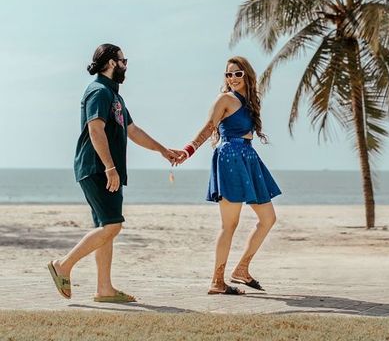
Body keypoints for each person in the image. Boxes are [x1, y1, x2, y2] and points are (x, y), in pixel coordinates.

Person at [48, 43, 179, 303]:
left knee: (105, 227)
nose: (125, 65)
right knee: (112, 226)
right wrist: (110, 168)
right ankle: (63, 265)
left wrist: (163, 150)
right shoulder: (98, 91)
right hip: (97, 168)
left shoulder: (114, 95)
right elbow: (95, 129)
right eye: (123, 60)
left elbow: (133, 130)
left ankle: (104, 289)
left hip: (102, 169)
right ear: (110, 62)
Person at [174, 56, 281, 295]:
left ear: (247, 76)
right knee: (229, 224)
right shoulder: (225, 99)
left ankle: (242, 268)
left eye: (237, 74)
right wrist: (188, 150)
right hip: (230, 157)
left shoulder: (250, 102)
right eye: (228, 74)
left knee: (268, 218)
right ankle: (217, 280)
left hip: (249, 157)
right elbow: (209, 127)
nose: (232, 78)